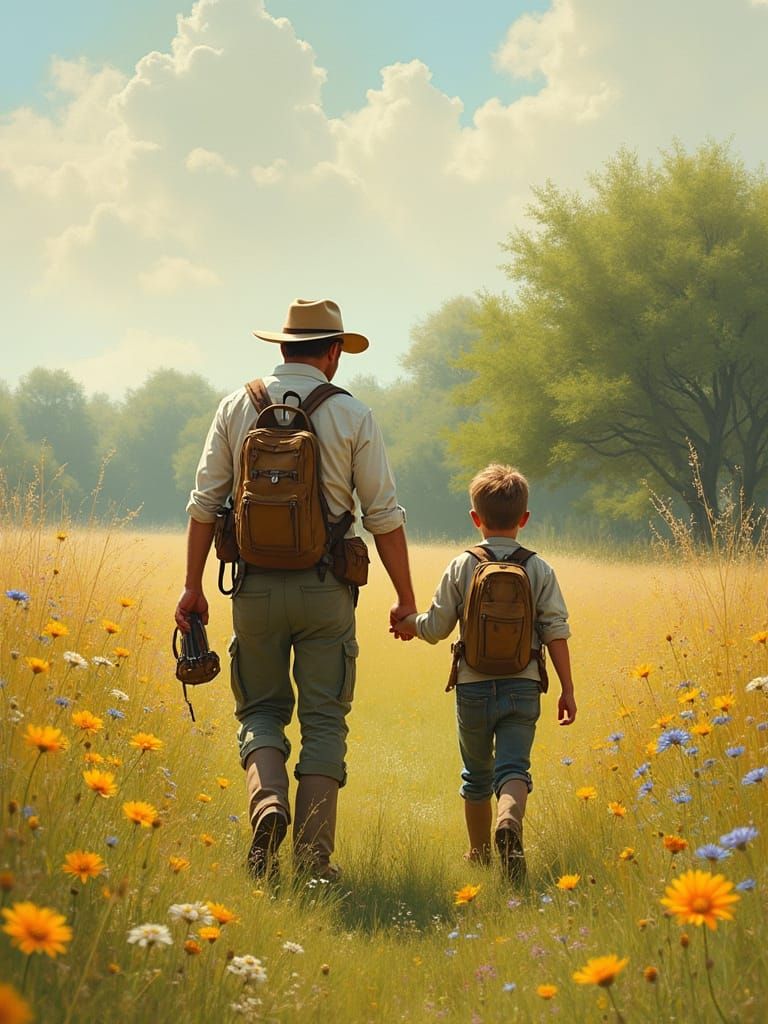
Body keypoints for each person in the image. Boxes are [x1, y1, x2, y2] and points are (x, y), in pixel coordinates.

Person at [175, 298, 416, 881]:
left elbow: (205, 503)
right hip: (325, 590)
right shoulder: (353, 415)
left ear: (282, 346)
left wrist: (191, 589)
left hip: (253, 589)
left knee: (259, 710)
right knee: (324, 721)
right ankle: (313, 862)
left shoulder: (237, 405)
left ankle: (268, 804)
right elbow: (383, 514)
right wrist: (405, 598)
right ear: (332, 352)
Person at [392, 464, 576, 882]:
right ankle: (508, 820)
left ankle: (478, 855)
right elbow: (556, 631)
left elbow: (436, 628)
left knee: (476, 775)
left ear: (476, 518)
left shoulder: (462, 565)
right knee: (514, 769)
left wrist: (408, 623)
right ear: (524, 518)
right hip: (524, 684)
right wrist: (567, 688)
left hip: (473, 687)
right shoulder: (539, 569)